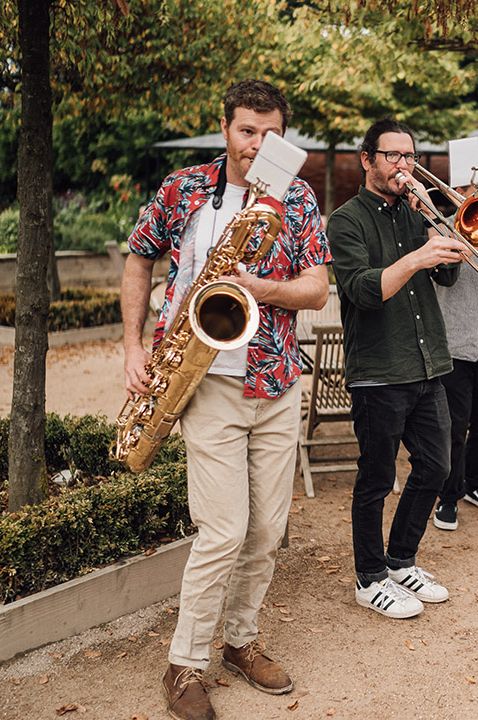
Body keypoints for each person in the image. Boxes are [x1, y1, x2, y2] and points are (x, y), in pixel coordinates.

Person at [121, 79, 331, 720]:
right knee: (223, 530)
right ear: (225, 128)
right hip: (205, 378)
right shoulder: (184, 189)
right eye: (247, 131)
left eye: (270, 134)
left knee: (267, 530)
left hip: (274, 382)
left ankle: (240, 640)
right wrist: (132, 348)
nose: (257, 145)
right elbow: (139, 259)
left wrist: (261, 288)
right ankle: (184, 664)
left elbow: (318, 288)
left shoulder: (295, 197)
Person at [327, 117, 468, 620]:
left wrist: (443, 227)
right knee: (376, 478)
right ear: (368, 160)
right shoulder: (345, 221)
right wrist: (417, 256)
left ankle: (401, 559)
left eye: (410, 157)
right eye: (393, 156)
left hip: (427, 363)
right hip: (379, 370)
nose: (404, 166)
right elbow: (364, 290)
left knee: (437, 465)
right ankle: (369, 578)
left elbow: (449, 274)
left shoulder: (416, 214)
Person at [433, 176, 478, 531]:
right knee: (454, 426)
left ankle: (472, 485)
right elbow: (442, 277)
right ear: (460, 190)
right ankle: (447, 497)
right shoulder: (445, 225)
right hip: (456, 343)